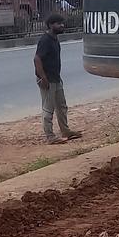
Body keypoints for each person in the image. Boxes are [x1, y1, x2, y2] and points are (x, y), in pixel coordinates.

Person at [34, 13, 82, 144]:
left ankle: (65, 131)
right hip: (47, 79)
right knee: (48, 108)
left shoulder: (54, 39)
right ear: (51, 25)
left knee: (62, 106)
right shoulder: (45, 40)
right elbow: (37, 59)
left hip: (56, 78)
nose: (62, 26)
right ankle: (50, 136)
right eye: (58, 24)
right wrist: (43, 78)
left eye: (62, 23)